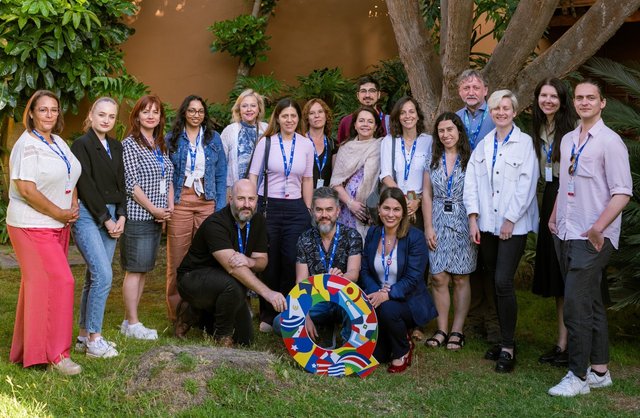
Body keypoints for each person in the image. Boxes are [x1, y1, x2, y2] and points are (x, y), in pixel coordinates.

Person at [548, 79, 632, 397]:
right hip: (568, 230)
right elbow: (565, 181)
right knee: (592, 302)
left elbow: (623, 192)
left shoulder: (610, 142)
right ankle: (600, 371)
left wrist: (598, 227)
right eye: (580, 98)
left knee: (575, 304)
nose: (584, 102)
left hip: (593, 236)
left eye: (591, 98)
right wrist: (555, 216)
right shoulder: (570, 139)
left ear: (602, 103)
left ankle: (577, 376)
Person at [7, 90, 82, 375]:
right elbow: (26, 190)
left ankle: (29, 351)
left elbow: (70, 173)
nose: (49, 115)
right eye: (43, 110)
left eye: (54, 110)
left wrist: (72, 203)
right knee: (63, 282)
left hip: (56, 224)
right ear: (32, 113)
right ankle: (58, 354)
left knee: (38, 286)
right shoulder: (27, 145)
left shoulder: (59, 141)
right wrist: (59, 212)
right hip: (31, 225)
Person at [464, 90, 539, 373]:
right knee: (495, 281)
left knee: (503, 282)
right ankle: (504, 338)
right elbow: (471, 183)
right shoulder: (483, 145)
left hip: (512, 227)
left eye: (506, 108)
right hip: (487, 226)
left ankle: (508, 346)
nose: (501, 112)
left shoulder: (524, 144)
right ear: (491, 112)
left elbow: (527, 185)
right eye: (496, 108)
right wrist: (473, 218)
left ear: (514, 112)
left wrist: (510, 219)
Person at [175, 179, 287, 345]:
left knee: (245, 340)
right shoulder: (216, 223)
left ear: (257, 199)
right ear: (230, 199)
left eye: (251, 199)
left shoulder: (258, 221)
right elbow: (233, 268)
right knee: (234, 284)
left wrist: (249, 261)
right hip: (193, 279)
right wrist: (267, 293)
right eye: (241, 198)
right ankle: (222, 336)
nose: (247, 204)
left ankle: (196, 313)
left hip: (227, 283)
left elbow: (262, 261)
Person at [248, 98, 314, 333]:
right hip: (269, 207)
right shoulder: (266, 143)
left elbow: (307, 179)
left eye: (293, 116)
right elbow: (253, 176)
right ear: (277, 118)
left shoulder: (306, 145)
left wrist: (307, 209)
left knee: (291, 261)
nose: (289, 120)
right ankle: (267, 314)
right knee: (269, 262)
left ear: (299, 119)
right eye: (285, 116)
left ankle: (289, 311)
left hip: (296, 209)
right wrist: (253, 207)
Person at [272, 187, 363, 347]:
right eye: (319, 210)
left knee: (357, 312)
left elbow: (354, 273)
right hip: (316, 302)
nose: (324, 215)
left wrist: (340, 278)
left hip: (344, 300)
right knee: (279, 322)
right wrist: (304, 315)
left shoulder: (352, 235)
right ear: (313, 212)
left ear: (338, 211)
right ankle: (325, 326)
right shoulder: (305, 239)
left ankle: (346, 347)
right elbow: (301, 282)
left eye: (329, 209)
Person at [70, 97, 125, 359]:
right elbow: (86, 185)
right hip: (90, 215)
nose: (106, 120)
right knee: (103, 275)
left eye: (111, 116)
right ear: (91, 115)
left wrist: (122, 216)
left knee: (94, 277)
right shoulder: (81, 145)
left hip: (114, 214)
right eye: (101, 114)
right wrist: (106, 219)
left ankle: (82, 336)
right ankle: (95, 338)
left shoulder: (116, 146)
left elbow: (122, 183)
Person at [360, 187, 437, 373]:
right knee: (378, 356)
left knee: (388, 308)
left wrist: (386, 295)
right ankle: (390, 341)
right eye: (386, 208)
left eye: (396, 209)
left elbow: (413, 278)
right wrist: (375, 293)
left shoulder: (415, 238)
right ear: (378, 209)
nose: (391, 214)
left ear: (403, 212)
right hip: (378, 298)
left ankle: (403, 349)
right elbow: (365, 270)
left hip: (408, 301)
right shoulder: (373, 233)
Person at [165, 94, 227, 322]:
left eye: (200, 111)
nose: (196, 115)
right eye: (191, 110)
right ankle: (176, 313)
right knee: (178, 259)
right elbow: (166, 174)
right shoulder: (172, 138)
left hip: (207, 201)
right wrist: (167, 204)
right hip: (180, 202)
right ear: (184, 112)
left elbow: (221, 175)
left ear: (205, 115)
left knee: (205, 257)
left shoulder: (214, 139)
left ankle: (201, 311)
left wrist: (220, 209)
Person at [530, 78, 578, 367]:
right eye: (543, 95)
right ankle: (561, 343)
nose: (548, 100)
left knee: (571, 274)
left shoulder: (571, 128)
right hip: (548, 195)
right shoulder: (537, 128)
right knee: (556, 276)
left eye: (553, 96)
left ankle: (576, 341)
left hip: (570, 197)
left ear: (563, 99)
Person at [120, 94, 174, 340]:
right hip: (139, 215)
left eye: (156, 112)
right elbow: (130, 184)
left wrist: (168, 209)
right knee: (134, 269)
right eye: (146, 111)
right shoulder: (130, 144)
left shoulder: (160, 144)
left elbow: (168, 178)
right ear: (137, 115)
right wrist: (154, 209)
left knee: (143, 270)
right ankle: (132, 323)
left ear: (161, 117)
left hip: (157, 216)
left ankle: (130, 321)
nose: (151, 116)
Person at [422, 112, 477, 350]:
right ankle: (442, 328)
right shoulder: (432, 158)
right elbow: (426, 194)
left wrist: (473, 221)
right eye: (441, 131)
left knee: (461, 277)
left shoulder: (471, 158)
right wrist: (428, 226)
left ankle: (458, 329)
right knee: (438, 276)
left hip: (463, 219)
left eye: (450, 130)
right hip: (437, 218)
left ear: (459, 132)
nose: (446, 135)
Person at [456, 69, 499, 343]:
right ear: (460, 92)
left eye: (476, 86)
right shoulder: (455, 119)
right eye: (466, 87)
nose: (471, 91)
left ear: (485, 90)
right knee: (469, 261)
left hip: (492, 194)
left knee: (490, 260)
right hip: (462, 195)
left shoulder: (496, 116)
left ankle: (494, 322)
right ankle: (473, 320)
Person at [330, 106, 383, 240]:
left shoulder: (382, 146)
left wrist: (374, 209)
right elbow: (335, 183)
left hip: (372, 210)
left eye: (370, 122)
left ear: (376, 126)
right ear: (355, 124)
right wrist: (350, 203)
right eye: (361, 121)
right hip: (347, 210)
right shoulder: (345, 148)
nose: (365, 124)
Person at [380, 96, 432, 229]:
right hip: (395, 204)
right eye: (403, 112)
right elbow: (385, 175)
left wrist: (417, 201)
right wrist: (403, 198)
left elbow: (432, 176)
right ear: (398, 117)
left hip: (420, 204)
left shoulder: (429, 141)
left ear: (418, 115)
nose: (407, 116)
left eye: (411, 111)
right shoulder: (389, 141)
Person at [221, 89, 268, 195]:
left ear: (259, 108)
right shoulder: (230, 130)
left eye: (253, 105)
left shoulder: (267, 130)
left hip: (261, 190)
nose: (249, 109)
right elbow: (221, 163)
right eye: (244, 106)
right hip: (234, 190)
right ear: (238, 109)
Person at [336, 76, 389, 144]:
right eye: (363, 91)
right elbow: (341, 149)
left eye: (372, 91)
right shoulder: (346, 121)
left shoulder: (389, 122)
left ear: (378, 94)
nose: (367, 95)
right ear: (358, 95)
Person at [301, 99, 336, 189]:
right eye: (312, 113)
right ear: (307, 118)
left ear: (326, 115)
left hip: (325, 198)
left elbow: (336, 176)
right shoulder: (300, 141)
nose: (317, 116)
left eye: (320, 112)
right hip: (302, 196)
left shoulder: (332, 144)